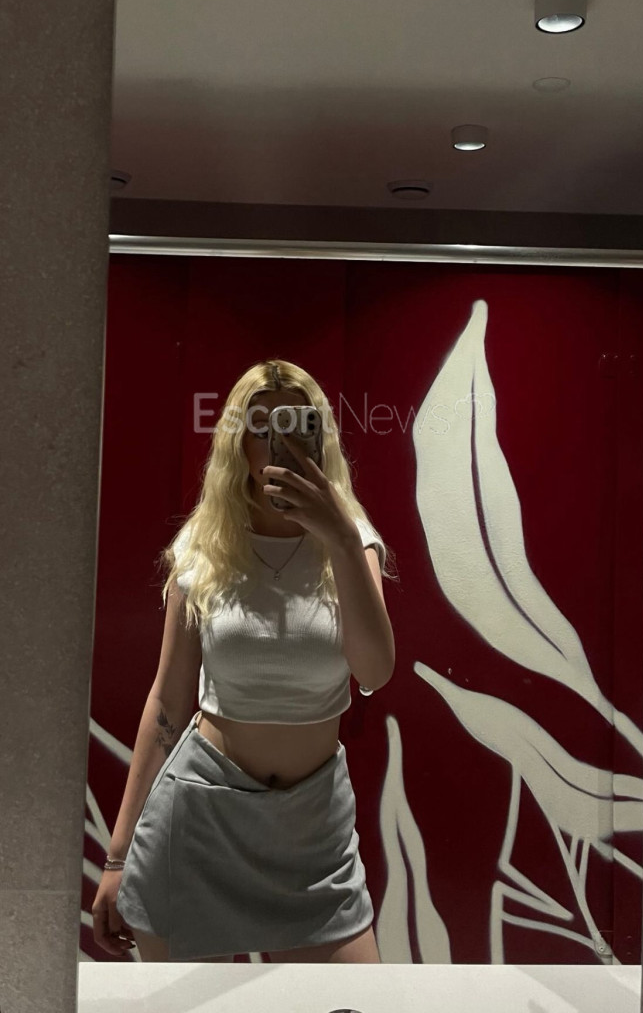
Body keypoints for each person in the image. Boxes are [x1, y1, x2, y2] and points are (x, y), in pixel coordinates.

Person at [91, 359, 396, 963]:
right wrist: (118, 856)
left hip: (313, 834)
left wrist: (338, 536)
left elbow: (375, 671)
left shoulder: (351, 543)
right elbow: (168, 701)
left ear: (319, 437)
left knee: (355, 999)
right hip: (199, 824)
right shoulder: (204, 548)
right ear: (237, 443)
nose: (276, 444)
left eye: (294, 425)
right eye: (260, 428)